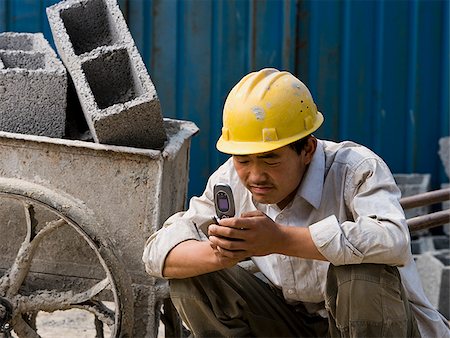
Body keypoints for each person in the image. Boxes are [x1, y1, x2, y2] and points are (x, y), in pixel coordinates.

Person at [142, 68, 450, 337]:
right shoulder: (229, 181)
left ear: (308, 149)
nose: (255, 175)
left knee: (360, 274)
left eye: (271, 159)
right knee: (193, 276)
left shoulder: (356, 170)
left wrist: (280, 240)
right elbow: (157, 254)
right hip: (291, 323)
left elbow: (392, 240)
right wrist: (225, 253)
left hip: (383, 329)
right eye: (243, 160)